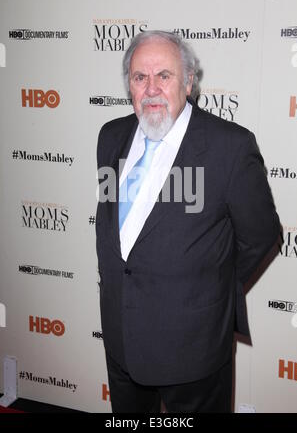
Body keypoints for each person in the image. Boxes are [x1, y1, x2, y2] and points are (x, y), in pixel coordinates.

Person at [95, 30, 280, 413]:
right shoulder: (110, 137)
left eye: (164, 75)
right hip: (122, 342)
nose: (151, 89)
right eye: (139, 77)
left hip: (193, 348)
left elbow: (260, 236)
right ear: (128, 84)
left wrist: (206, 285)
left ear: (189, 82)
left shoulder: (230, 146)